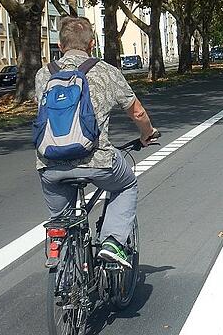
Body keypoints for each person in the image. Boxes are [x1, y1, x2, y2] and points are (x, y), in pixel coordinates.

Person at [35, 16, 158, 268]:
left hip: (50, 165)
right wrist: (147, 133)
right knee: (126, 186)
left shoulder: (43, 74)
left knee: (61, 219)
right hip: (97, 160)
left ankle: (60, 254)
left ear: (60, 45)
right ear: (91, 44)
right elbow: (137, 113)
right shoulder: (106, 71)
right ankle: (112, 242)